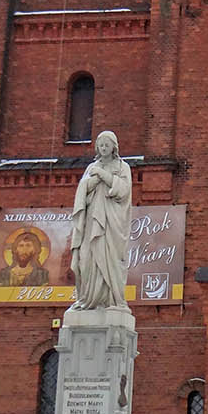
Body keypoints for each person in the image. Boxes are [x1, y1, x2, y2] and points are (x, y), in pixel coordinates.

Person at [69, 130, 132, 310]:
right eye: (101, 145)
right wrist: (92, 181)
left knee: (109, 256)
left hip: (111, 222)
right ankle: (88, 299)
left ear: (114, 147)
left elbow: (124, 191)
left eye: (107, 145)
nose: (104, 148)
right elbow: (82, 190)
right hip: (91, 220)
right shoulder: (91, 167)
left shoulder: (122, 167)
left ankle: (112, 299)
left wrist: (104, 175)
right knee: (86, 258)